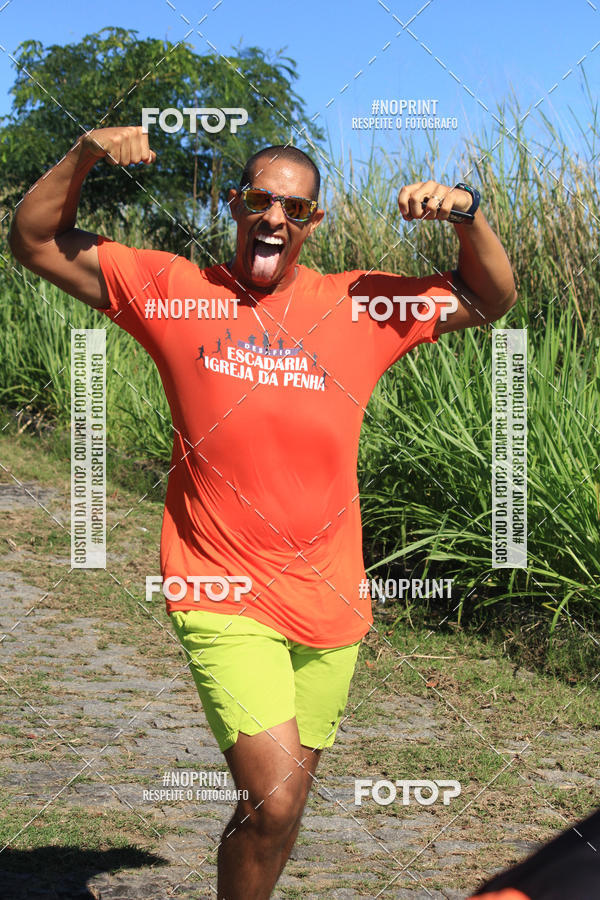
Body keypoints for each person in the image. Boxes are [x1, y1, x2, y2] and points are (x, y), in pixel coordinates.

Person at [9, 126, 517, 899]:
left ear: (313, 223)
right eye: (259, 199)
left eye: (296, 207)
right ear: (232, 206)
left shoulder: (359, 304)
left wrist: (466, 214)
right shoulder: (175, 290)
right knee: (275, 797)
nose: (274, 216)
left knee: (277, 810)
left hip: (332, 599)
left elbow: (489, 296)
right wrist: (83, 153)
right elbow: (35, 239)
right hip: (220, 589)